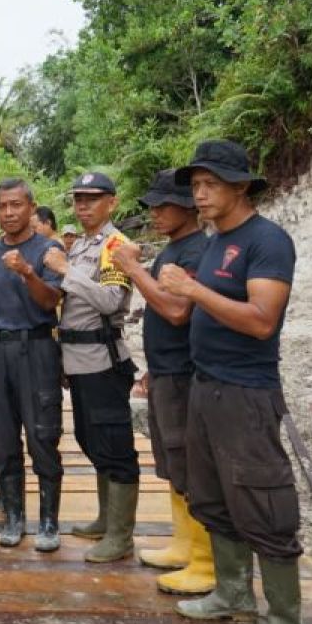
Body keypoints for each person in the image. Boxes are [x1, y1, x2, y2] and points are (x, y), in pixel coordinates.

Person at [162, 140, 302, 624]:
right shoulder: (218, 239)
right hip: (205, 385)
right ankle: (233, 592)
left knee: (263, 498)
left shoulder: (268, 241)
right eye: (195, 185)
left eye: (210, 184)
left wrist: (194, 291)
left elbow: (262, 321)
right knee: (213, 495)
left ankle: (285, 620)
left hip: (246, 392)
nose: (199, 194)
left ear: (241, 186)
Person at [110, 169, 214, 595]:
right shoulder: (176, 248)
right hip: (167, 371)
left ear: (188, 207)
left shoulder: (194, 250)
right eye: (152, 205)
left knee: (190, 462)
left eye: (163, 205)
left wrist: (133, 269)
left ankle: (205, 562)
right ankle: (183, 544)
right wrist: (153, 368)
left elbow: (176, 312)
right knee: (171, 460)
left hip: (187, 375)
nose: (154, 213)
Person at [43, 171, 139, 564]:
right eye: (79, 199)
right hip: (79, 359)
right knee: (89, 438)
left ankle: (121, 536)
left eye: (93, 199)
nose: (83, 206)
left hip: (103, 360)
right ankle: (105, 518)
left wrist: (68, 271)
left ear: (112, 202)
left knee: (115, 446)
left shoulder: (117, 246)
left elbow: (112, 302)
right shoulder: (83, 244)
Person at [0, 179, 65, 552]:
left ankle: (49, 521)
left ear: (30, 207)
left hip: (37, 347)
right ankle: (13, 517)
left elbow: (50, 300)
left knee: (43, 434)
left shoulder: (47, 249)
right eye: (2, 206)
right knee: (3, 439)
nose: (9, 213)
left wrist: (27, 272)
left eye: (16, 205)